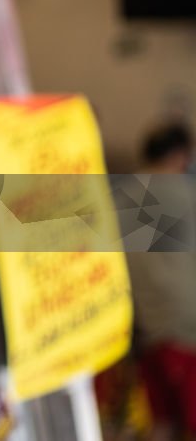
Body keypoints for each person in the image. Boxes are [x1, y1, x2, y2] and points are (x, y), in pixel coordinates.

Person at [126, 122, 196, 441]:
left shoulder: (123, 196)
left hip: (145, 328)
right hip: (187, 327)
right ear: (181, 155)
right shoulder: (185, 193)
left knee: (162, 424)